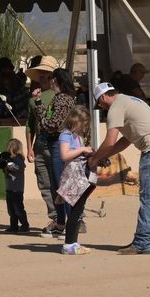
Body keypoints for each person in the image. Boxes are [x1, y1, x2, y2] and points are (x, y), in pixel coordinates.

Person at [86, 83, 150, 255]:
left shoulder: (115, 108)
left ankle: (142, 243)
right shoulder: (128, 100)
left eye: (100, 104)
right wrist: (105, 155)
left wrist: (95, 159)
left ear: (103, 97)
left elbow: (110, 141)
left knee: (148, 198)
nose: (102, 108)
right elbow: (126, 139)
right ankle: (143, 240)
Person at [32, 66, 75, 237]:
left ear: (56, 80)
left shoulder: (62, 99)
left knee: (62, 186)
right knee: (58, 186)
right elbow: (48, 119)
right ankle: (61, 223)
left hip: (59, 143)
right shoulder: (59, 98)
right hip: (54, 143)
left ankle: (68, 224)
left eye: (51, 78)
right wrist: (38, 103)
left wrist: (43, 123)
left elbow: (53, 123)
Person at [25, 55, 61, 236]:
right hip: (40, 145)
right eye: (41, 76)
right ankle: (55, 217)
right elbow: (30, 125)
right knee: (45, 183)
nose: (44, 79)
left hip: (57, 144)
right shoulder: (33, 99)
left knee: (60, 182)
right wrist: (29, 147)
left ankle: (70, 217)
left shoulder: (61, 97)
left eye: (47, 76)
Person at [58, 106, 95, 255]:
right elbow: (64, 155)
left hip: (81, 174)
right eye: (83, 122)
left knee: (79, 210)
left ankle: (73, 242)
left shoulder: (78, 135)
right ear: (75, 120)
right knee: (76, 210)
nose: (85, 125)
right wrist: (83, 150)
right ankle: (69, 244)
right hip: (73, 175)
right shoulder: (66, 134)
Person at [0, 138, 29, 234]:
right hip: (10, 188)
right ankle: (13, 226)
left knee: (18, 208)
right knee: (11, 209)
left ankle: (25, 225)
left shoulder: (18, 159)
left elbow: (17, 168)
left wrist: (7, 165)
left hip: (17, 189)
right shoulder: (9, 159)